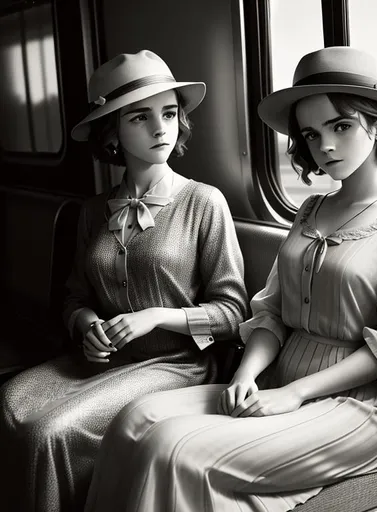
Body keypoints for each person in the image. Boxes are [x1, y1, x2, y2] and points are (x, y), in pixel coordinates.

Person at [84, 46, 377, 512]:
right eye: (312, 134)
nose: (325, 146)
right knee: (134, 419)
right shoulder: (310, 211)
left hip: (356, 407)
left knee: (173, 449)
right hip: (273, 379)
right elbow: (270, 313)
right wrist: (247, 374)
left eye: (341, 126)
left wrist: (293, 394)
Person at [0, 49, 249, 512]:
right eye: (141, 117)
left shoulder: (203, 202)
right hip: (101, 363)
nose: (161, 129)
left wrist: (154, 317)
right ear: (112, 131)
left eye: (170, 113)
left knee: (47, 431)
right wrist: (87, 324)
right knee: (11, 402)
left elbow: (234, 314)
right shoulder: (94, 211)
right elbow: (74, 296)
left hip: (178, 366)